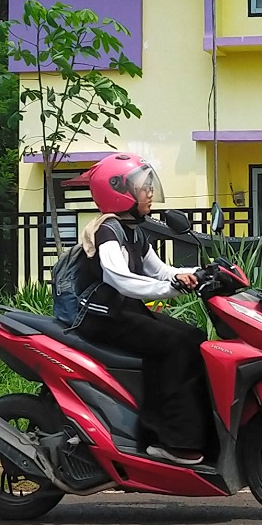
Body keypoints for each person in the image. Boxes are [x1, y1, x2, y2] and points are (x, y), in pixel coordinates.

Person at [58, 153, 210, 466]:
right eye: (143, 187)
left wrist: (203, 273)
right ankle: (167, 439)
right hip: (101, 316)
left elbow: (161, 271)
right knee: (177, 344)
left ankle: (193, 431)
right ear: (118, 190)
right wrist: (172, 287)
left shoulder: (134, 231)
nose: (150, 192)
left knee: (195, 337)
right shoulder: (108, 230)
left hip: (122, 312)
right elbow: (120, 279)